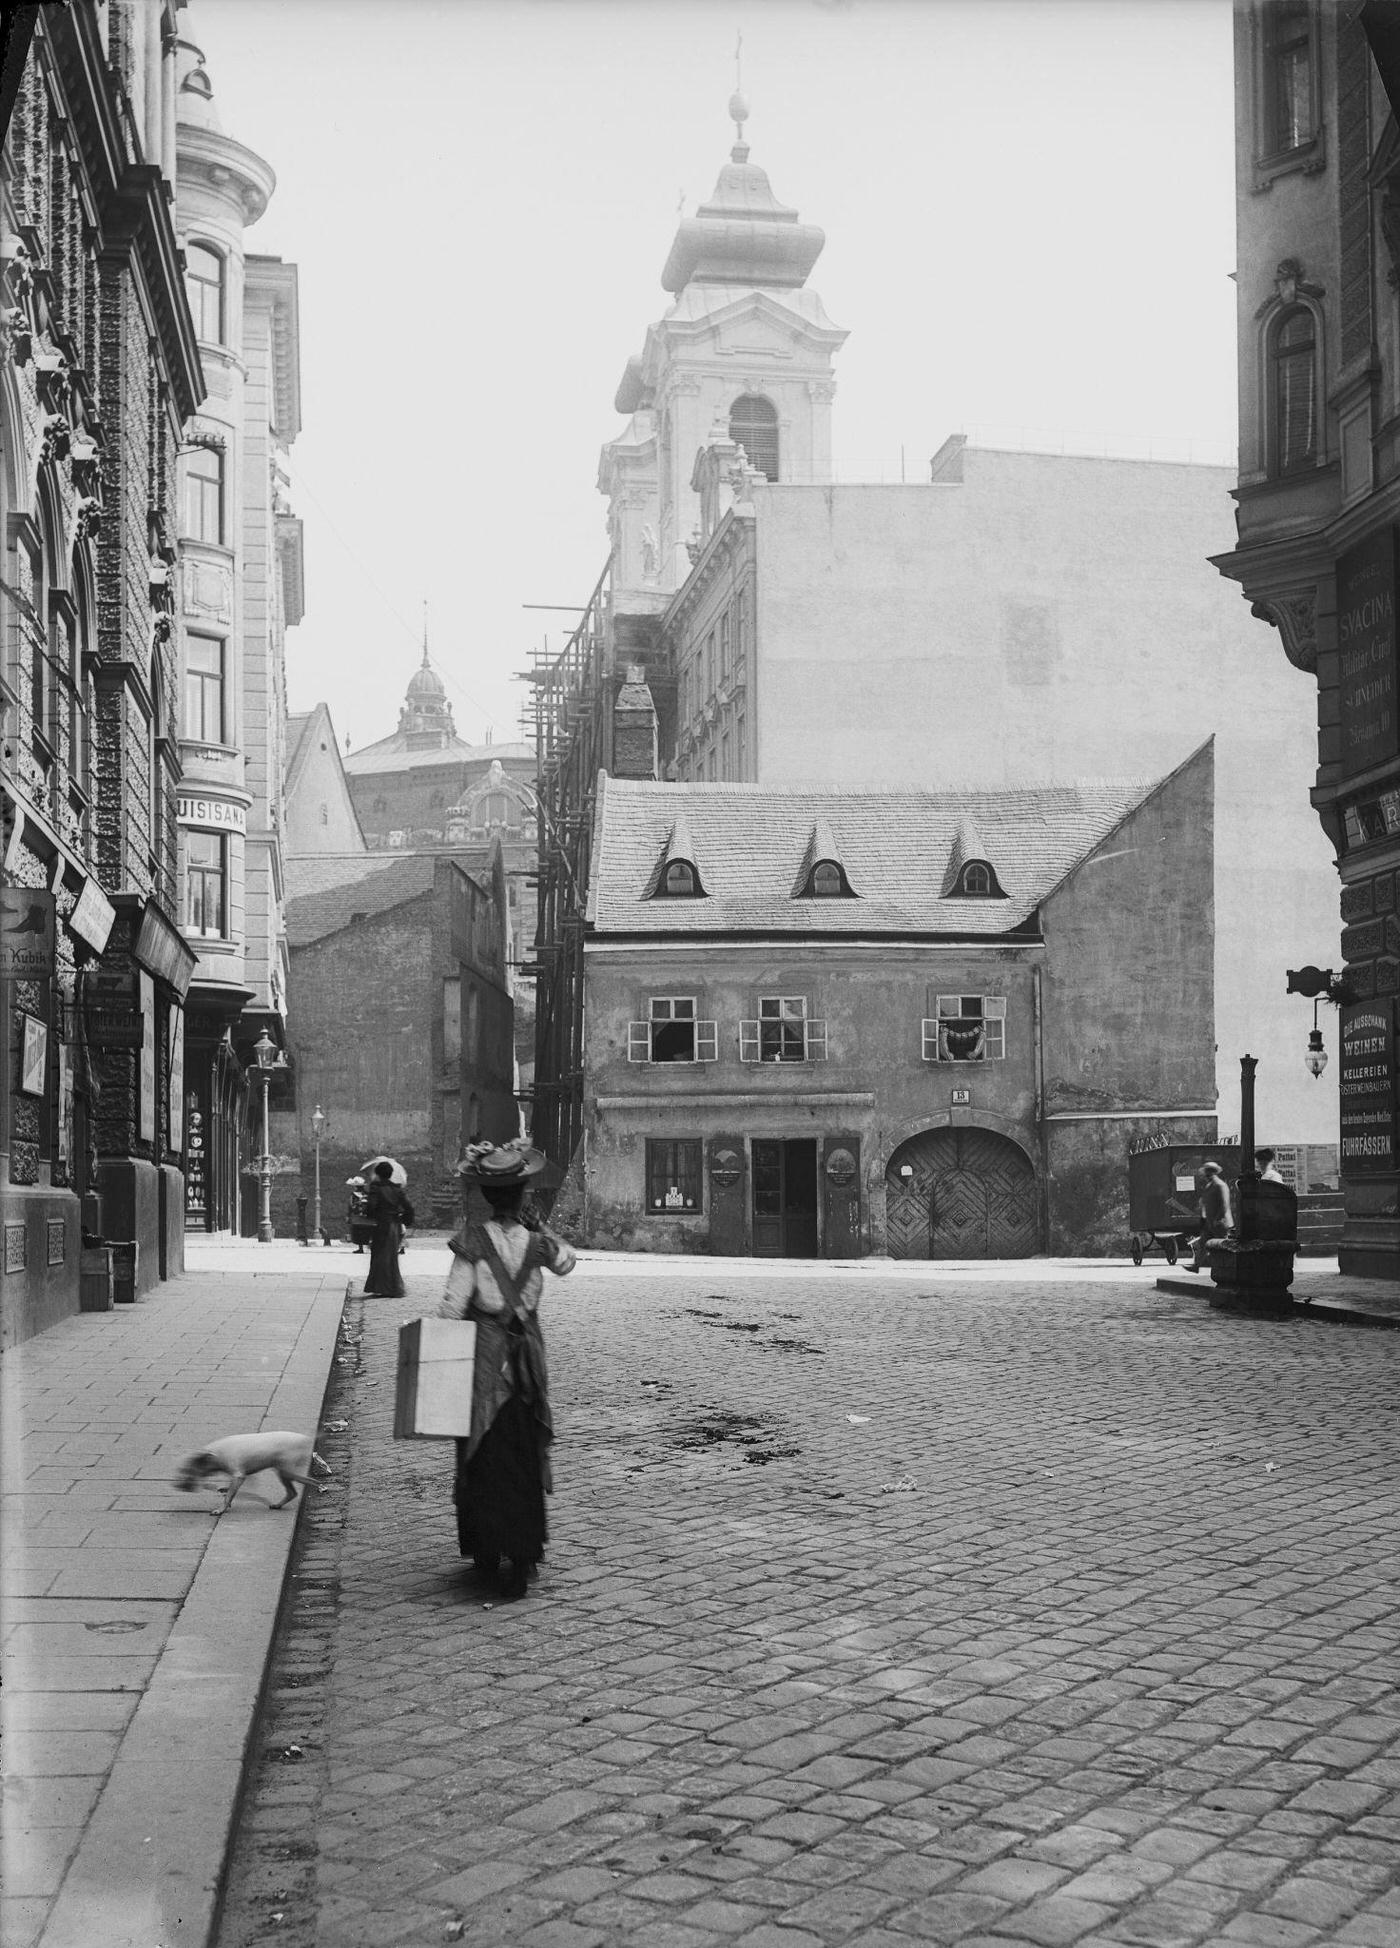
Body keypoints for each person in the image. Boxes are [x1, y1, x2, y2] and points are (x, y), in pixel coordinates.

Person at [435, 1142, 575, 1601]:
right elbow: (567, 1263)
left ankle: (487, 1551)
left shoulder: (473, 1241)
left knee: (482, 1451)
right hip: (525, 1362)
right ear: (523, 1195)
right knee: (523, 1452)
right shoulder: (539, 1243)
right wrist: (542, 1225)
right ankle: (525, 1551)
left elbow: (453, 1308)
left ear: (488, 1197)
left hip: (484, 1359)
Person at [364, 1161, 413, 1298]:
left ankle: (381, 1286)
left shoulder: (376, 1188)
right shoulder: (397, 1189)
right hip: (394, 1225)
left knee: (379, 1255)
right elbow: (409, 1207)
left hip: (381, 1225)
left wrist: (370, 1213)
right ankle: (392, 1286)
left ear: (378, 1174)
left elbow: (371, 1207)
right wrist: (404, 1219)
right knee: (391, 1256)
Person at [1188, 1159, 1232, 1272]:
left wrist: (1218, 1218)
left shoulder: (1220, 1185)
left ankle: (1229, 1267)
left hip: (1220, 1223)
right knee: (1203, 1243)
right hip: (1209, 1222)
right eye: (1206, 1172)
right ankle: (1196, 1265)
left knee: (1224, 1246)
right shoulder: (1209, 1186)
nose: (1206, 1175)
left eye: (1209, 1172)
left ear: (1214, 1172)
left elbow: (1224, 1204)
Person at [347, 1177, 370, 1254]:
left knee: (358, 1231)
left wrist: (349, 1215)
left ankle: (360, 1248)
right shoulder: (367, 1194)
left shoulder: (353, 1194)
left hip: (356, 1216)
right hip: (367, 1216)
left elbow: (350, 1205)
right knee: (366, 1231)